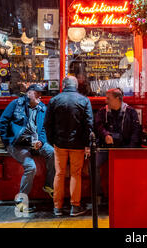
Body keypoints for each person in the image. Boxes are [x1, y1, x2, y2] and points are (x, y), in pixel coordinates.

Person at [0, 84, 55, 213]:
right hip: (17, 144)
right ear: (28, 93)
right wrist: (7, 141)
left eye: (41, 93)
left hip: (34, 142)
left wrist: (41, 141)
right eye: (37, 93)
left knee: (52, 153)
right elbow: (2, 122)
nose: (40, 96)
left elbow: (43, 128)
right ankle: (21, 203)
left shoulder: (42, 108)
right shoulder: (16, 104)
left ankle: (48, 185)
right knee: (31, 167)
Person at [44, 76, 93, 217]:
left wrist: (53, 141)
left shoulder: (54, 100)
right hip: (77, 144)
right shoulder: (84, 100)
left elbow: (48, 123)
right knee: (75, 174)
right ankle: (75, 206)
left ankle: (57, 207)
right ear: (76, 86)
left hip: (60, 144)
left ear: (63, 85)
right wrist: (87, 144)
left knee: (59, 174)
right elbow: (88, 125)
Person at [94, 88, 142, 205]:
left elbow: (136, 133)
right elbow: (98, 126)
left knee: (127, 169)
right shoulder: (102, 111)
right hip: (106, 147)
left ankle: (126, 194)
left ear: (117, 99)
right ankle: (98, 194)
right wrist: (105, 135)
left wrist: (130, 151)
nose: (106, 101)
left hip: (124, 147)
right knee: (93, 164)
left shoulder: (130, 112)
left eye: (108, 98)